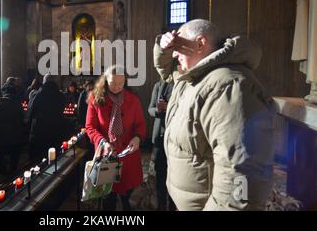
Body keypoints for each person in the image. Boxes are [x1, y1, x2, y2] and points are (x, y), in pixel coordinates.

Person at [153, 19, 275, 211]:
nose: (174, 54)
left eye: (179, 46)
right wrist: (164, 48)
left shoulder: (228, 86)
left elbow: (240, 173)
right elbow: (166, 71)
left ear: (200, 44)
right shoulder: (192, 79)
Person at [86, 65, 146, 211]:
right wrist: (102, 142)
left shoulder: (133, 99)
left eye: (121, 83)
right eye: (113, 83)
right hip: (106, 156)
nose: (117, 87)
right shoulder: (96, 98)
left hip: (128, 157)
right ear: (105, 80)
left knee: (128, 201)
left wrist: (137, 138)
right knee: (108, 199)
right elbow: (90, 127)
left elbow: (140, 125)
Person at [148, 79, 176, 211]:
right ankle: (161, 206)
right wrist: (158, 110)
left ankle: (173, 206)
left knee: (176, 175)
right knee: (160, 175)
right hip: (160, 138)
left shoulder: (182, 83)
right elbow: (150, 109)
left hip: (176, 139)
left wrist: (169, 106)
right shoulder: (158, 85)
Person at [27, 74, 67, 161]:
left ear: (44, 81)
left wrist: (29, 124)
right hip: (55, 128)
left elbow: (31, 110)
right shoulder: (60, 95)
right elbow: (62, 109)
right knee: (53, 156)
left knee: (37, 158)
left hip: (39, 129)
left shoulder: (37, 94)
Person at [0, 85, 27, 175]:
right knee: (15, 153)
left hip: (1, 133)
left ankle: (0, 170)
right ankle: (13, 171)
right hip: (15, 132)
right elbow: (22, 117)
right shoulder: (17, 103)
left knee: (0, 151)